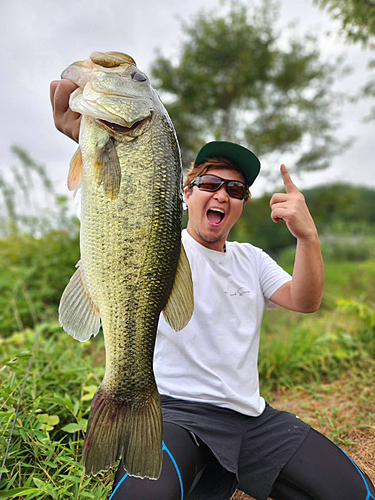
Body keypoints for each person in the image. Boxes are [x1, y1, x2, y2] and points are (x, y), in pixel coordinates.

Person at [51, 79, 375, 500]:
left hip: (252, 420)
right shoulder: (161, 241)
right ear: (185, 193)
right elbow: (116, 195)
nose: (222, 193)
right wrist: (94, 139)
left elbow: (306, 300)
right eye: (209, 183)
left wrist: (308, 237)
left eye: (235, 189)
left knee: (358, 494)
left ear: (242, 204)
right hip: (177, 415)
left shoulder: (251, 259)